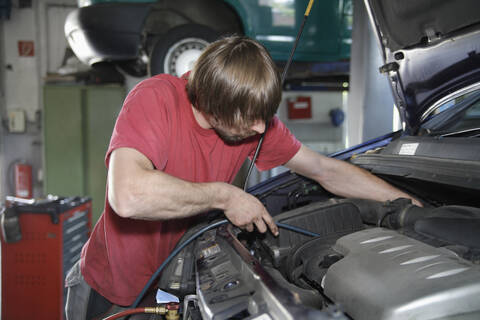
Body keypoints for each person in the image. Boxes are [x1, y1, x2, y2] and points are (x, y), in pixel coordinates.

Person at [65, 36, 420, 319]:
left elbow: (325, 170)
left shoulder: (254, 126)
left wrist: (405, 204)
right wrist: (226, 196)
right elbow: (127, 195)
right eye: (250, 118)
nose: (260, 127)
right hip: (108, 291)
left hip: (169, 288)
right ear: (209, 102)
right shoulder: (155, 99)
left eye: (264, 116)